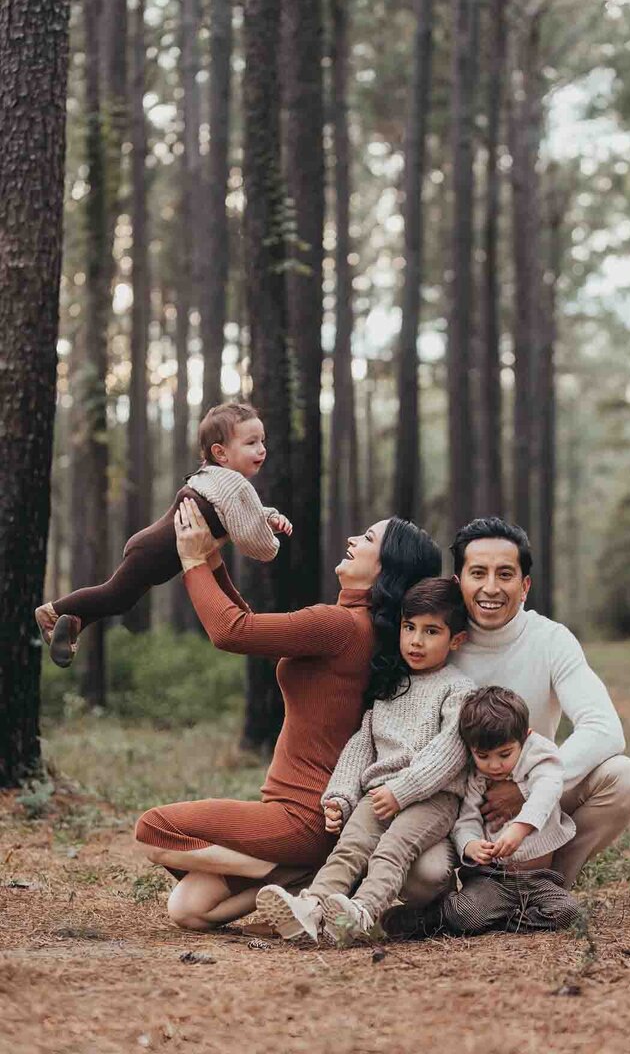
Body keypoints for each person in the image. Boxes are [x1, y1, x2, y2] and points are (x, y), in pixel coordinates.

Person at [133, 506, 444, 932]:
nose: (353, 540)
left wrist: (191, 561)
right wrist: (213, 561)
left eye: (368, 539)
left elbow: (232, 631)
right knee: (188, 909)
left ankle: (284, 870)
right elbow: (249, 623)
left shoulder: (339, 625)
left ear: (387, 568)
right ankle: (296, 876)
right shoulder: (372, 631)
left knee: (153, 830)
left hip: (302, 816)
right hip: (312, 814)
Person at [406, 516, 630, 903]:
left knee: (624, 778)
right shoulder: (436, 640)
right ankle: (466, 898)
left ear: (525, 586)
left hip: (537, 796)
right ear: (458, 581)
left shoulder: (550, 640)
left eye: (505, 575)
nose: (490, 588)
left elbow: (604, 728)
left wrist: (526, 787)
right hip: (455, 802)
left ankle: (541, 889)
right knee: (424, 881)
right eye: (478, 573)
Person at [257, 578, 475, 944]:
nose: (416, 641)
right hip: (379, 793)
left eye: (431, 631)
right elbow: (362, 745)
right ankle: (309, 908)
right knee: (349, 847)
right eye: (410, 628)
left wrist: (402, 790)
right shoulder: (392, 686)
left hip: (433, 798)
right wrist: (340, 796)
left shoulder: (459, 688)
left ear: (456, 640)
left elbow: (450, 752)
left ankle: (361, 912)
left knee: (392, 851)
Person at [35, 402, 291, 669]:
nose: (262, 449)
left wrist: (267, 517)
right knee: (114, 594)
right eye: (251, 442)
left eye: (262, 441)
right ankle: (52, 611)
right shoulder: (235, 483)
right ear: (221, 452)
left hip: (153, 548)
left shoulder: (213, 476)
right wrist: (271, 541)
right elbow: (255, 544)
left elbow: (242, 513)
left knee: (121, 599)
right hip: (156, 552)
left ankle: (73, 622)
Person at [386, 686, 581, 939]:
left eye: (504, 754)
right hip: (492, 878)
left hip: (537, 879)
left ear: (525, 736)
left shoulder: (539, 754)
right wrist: (470, 845)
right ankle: (431, 917)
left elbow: (548, 789)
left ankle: (500, 921)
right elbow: (466, 820)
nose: (495, 765)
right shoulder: (477, 776)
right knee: (466, 914)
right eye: (483, 756)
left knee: (568, 911)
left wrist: (520, 828)